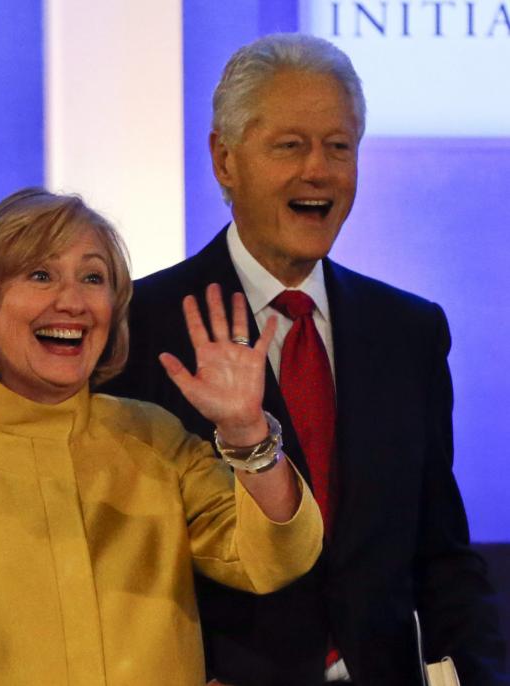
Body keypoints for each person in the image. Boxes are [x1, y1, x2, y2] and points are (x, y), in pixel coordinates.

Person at [102, 33, 507, 685]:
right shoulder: (137, 325)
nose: (318, 170)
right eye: (290, 145)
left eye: (339, 147)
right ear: (225, 160)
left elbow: (442, 557)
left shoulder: (409, 331)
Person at [0, 187, 323, 685]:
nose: (71, 302)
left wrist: (247, 432)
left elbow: (274, 558)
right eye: (40, 275)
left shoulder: (156, 438)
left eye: (93, 278)